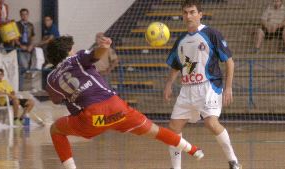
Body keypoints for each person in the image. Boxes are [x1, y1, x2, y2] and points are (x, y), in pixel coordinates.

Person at [45, 35, 204, 169]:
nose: (74, 49)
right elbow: (95, 54)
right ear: (67, 51)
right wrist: (105, 46)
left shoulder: (51, 79)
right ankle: (193, 149)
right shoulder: (77, 58)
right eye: (71, 47)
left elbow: (56, 99)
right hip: (116, 109)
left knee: (56, 130)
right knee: (155, 131)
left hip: (93, 120)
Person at [163, 1, 241, 169]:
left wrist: (228, 87)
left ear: (200, 14)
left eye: (192, 12)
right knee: (173, 127)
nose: (189, 16)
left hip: (209, 86)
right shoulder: (181, 40)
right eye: (185, 13)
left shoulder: (211, 33)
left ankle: (233, 161)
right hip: (187, 89)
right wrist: (169, 83)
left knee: (211, 123)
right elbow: (176, 65)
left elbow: (229, 62)